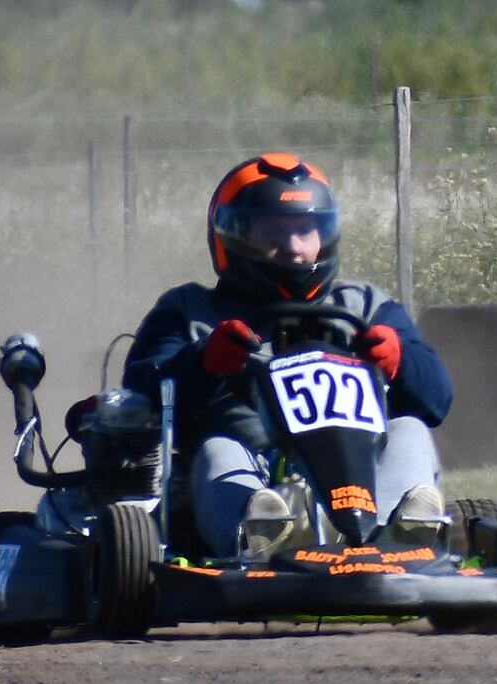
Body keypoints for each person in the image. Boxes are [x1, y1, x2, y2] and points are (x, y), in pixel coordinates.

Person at [122, 152, 451, 557]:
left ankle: (405, 532)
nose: (295, 249)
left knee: (411, 431)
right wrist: (202, 364)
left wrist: (400, 361)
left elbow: (438, 399)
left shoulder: (364, 305)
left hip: (362, 480)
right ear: (235, 237)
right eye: (273, 233)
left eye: (305, 230)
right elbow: (141, 392)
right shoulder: (190, 312)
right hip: (254, 473)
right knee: (217, 448)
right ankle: (261, 535)